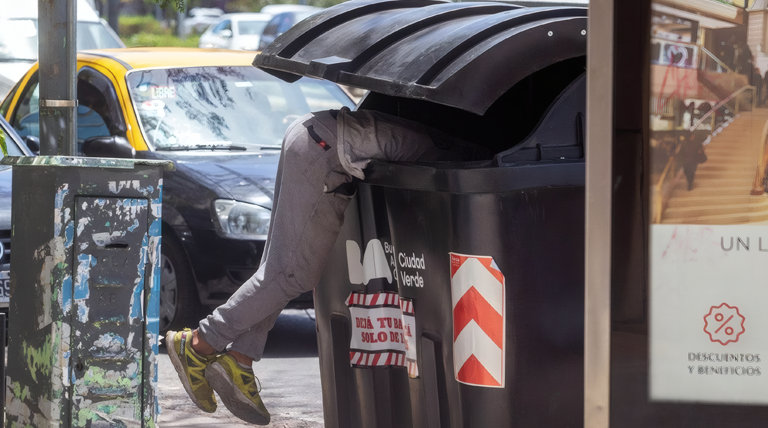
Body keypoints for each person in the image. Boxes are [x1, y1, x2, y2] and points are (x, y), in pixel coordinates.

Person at [166, 107, 488, 424]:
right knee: (292, 274)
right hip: (323, 151)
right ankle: (198, 343)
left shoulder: (434, 131)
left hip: (311, 134)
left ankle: (240, 358)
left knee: (277, 268)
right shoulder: (449, 154)